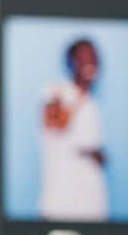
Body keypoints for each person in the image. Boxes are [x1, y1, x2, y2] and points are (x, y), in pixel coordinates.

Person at [39, 38, 109, 221]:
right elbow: (56, 124)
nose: (90, 63)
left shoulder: (93, 103)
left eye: (93, 58)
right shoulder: (56, 91)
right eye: (83, 58)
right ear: (71, 62)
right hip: (63, 194)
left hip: (91, 196)